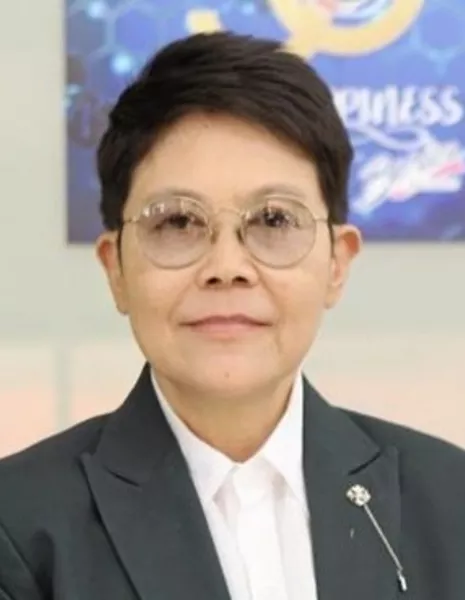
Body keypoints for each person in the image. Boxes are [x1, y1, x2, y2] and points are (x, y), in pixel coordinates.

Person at [0, 31, 464, 600]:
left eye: (274, 220)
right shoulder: (19, 525)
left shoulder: (450, 501)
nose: (226, 267)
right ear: (115, 268)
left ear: (337, 263)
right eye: (177, 222)